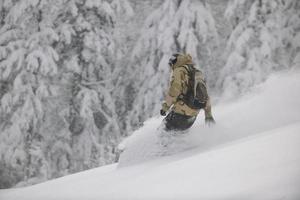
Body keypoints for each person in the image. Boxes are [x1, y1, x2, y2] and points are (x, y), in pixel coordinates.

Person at [160, 53, 215, 131]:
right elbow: (205, 94)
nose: (171, 67)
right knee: (178, 138)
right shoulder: (197, 72)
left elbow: (175, 90)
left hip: (180, 113)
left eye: (171, 64)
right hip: (192, 116)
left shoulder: (179, 70)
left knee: (161, 133)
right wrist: (208, 114)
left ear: (175, 61)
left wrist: (165, 107)